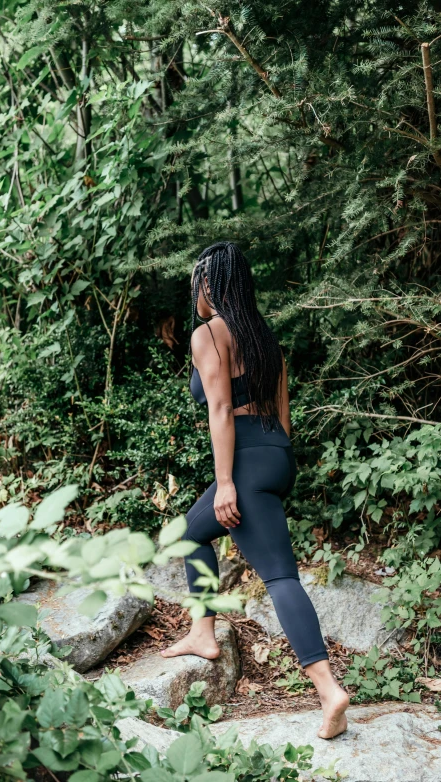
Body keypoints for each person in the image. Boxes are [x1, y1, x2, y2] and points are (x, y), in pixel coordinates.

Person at [161, 241, 349, 740]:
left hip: (244, 461)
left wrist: (227, 482)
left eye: (197, 282)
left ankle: (329, 690)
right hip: (276, 454)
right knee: (189, 533)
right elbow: (282, 409)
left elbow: (220, 411)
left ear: (208, 284)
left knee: (280, 578)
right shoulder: (262, 335)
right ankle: (203, 634)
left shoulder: (210, 335)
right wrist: (272, 466)